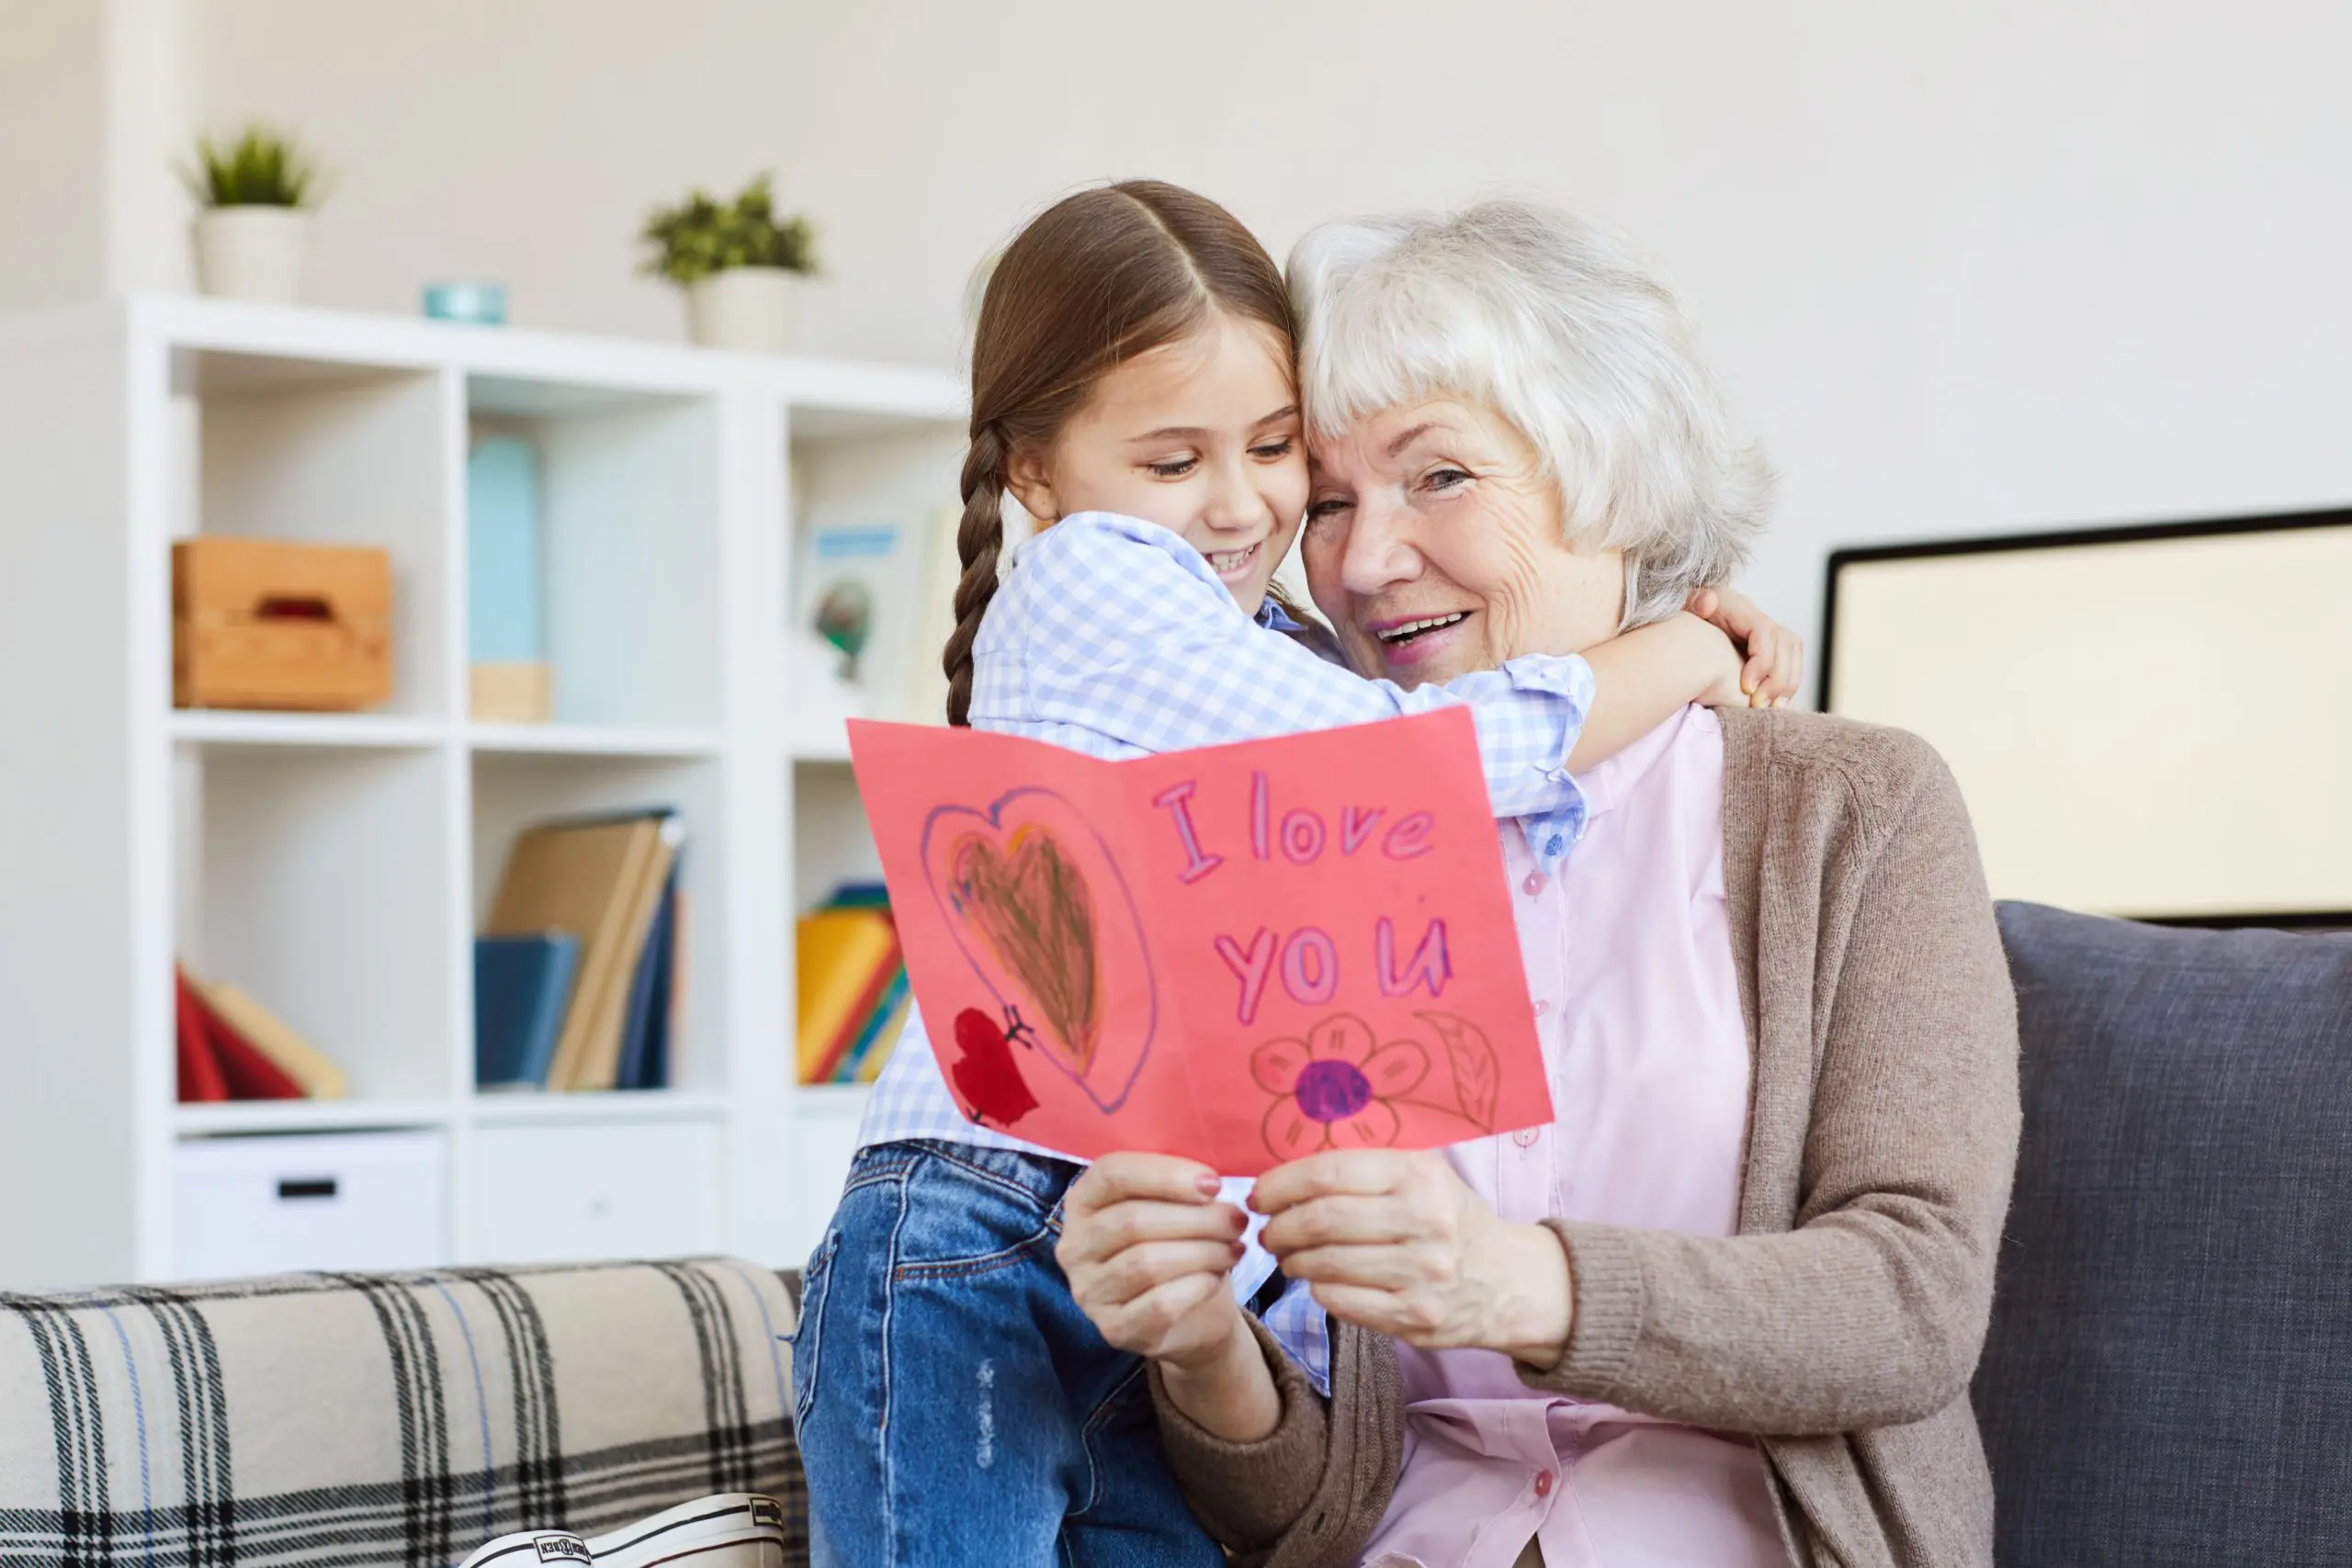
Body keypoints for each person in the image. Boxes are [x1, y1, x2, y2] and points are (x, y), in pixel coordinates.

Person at [789, 182, 1804, 1568]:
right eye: (1171, 462)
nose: (1241, 504)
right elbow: (1412, 764)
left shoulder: (1257, 641)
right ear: (1033, 472)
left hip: (1159, 1256)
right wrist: (1678, 650)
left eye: (1276, 452)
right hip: (986, 1226)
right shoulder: (1096, 577)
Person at [1056, 200, 2022, 1568]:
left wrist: (1515, 1278)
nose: (1368, 558)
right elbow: (1296, 1509)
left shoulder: (1847, 808)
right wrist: (1203, 1340)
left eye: (1438, 477)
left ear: (1611, 470)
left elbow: (1911, 1301)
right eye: (1326, 502)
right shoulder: (1297, 850)